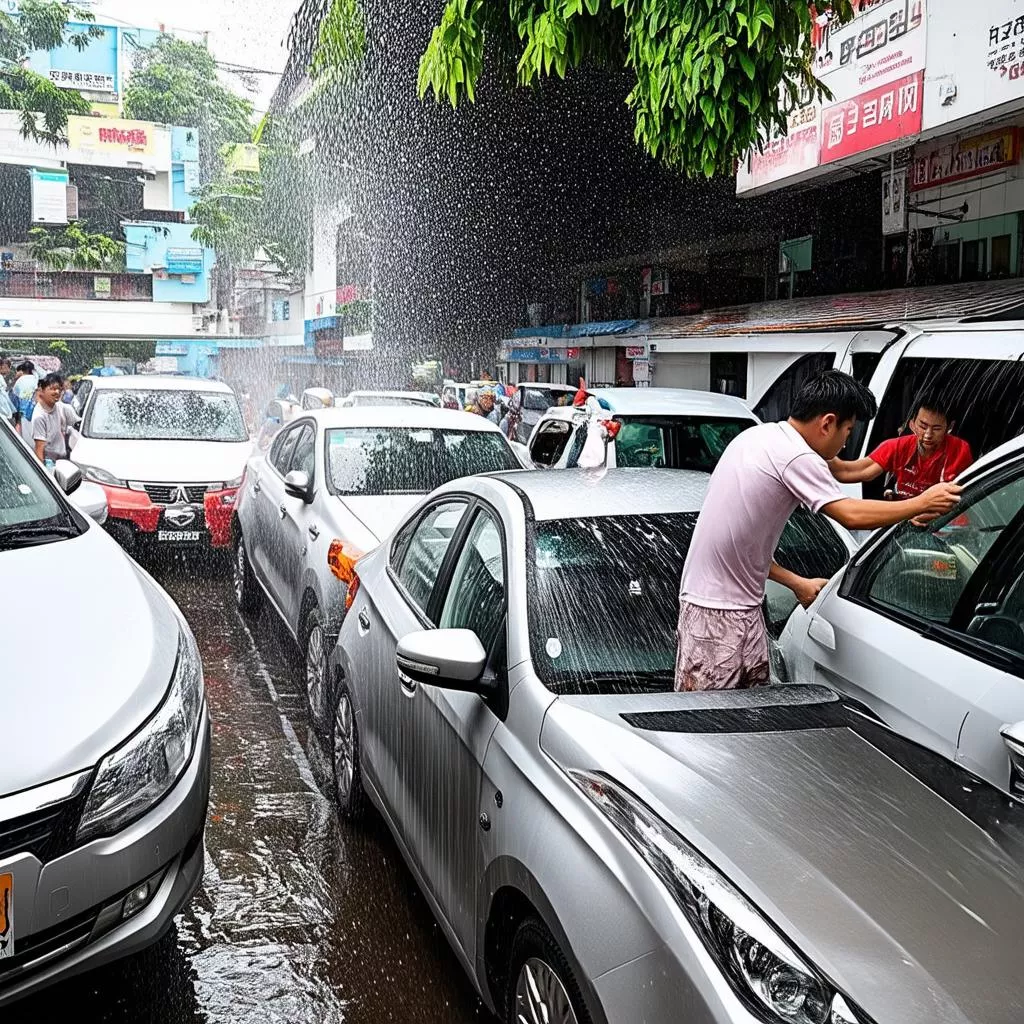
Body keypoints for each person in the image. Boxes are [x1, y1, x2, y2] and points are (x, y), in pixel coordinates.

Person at [675, 371, 963, 692]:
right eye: (848, 431)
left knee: (746, 714)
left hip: (726, 607)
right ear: (827, 423)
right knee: (709, 721)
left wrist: (796, 582)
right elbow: (849, 514)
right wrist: (921, 503)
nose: (845, 442)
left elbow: (737, 543)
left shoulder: (761, 437)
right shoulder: (796, 456)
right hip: (720, 616)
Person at [828, 393, 973, 498]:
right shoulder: (897, 447)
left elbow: (964, 495)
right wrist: (817, 452)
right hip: (905, 521)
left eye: (936, 429)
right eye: (923, 426)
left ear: (950, 427)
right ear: (912, 424)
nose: (928, 434)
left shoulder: (960, 450)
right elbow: (848, 471)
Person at [30, 372, 80, 464]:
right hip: (50, 462)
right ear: (42, 390)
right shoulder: (39, 417)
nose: (57, 392)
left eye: (59, 389)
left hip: (64, 459)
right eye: (52, 389)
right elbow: (39, 448)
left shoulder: (61, 407)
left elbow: (78, 424)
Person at [11, 361, 37, 437]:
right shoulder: (35, 379)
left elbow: (14, 396)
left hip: (20, 408)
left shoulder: (19, 381)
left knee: (19, 425)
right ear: (32, 370)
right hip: (32, 407)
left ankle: (17, 440)